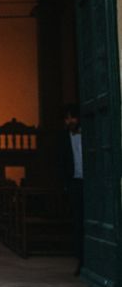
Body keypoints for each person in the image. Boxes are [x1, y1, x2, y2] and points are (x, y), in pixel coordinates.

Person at [60, 103, 84, 274]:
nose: (69, 121)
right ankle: (80, 260)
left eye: (72, 117)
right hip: (75, 183)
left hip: (92, 183)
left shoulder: (89, 135)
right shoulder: (63, 138)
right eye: (67, 118)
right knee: (78, 222)